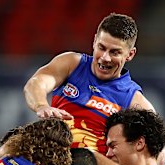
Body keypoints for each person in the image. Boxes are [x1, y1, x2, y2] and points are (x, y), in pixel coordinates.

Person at [23, 13, 154, 155]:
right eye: (102, 48)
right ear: (94, 41)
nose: (105, 58)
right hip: (51, 155)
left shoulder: (134, 100)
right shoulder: (72, 64)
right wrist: (41, 105)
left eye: (115, 52)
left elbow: (157, 153)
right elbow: (35, 83)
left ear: (130, 54)